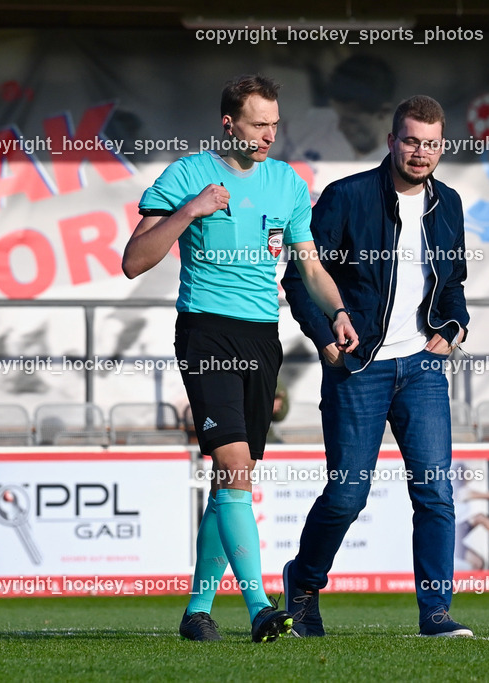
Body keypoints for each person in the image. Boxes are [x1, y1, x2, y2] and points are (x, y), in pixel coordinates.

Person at [122, 74, 358, 643]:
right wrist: (189, 212)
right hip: (206, 333)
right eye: (258, 124)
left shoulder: (287, 183)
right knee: (232, 468)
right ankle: (258, 605)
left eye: (274, 124)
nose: (268, 135)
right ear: (229, 123)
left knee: (233, 478)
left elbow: (309, 265)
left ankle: (197, 612)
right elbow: (134, 260)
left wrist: (339, 312)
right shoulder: (187, 174)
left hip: (262, 339)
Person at [280, 95, 472, 637]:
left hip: (423, 370)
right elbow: (300, 278)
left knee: (434, 489)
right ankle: (304, 581)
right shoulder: (346, 197)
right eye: (411, 141)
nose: (420, 152)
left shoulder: (449, 204)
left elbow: (453, 284)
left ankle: (435, 613)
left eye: (431, 143)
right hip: (357, 368)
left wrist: (452, 329)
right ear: (391, 141)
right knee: (347, 494)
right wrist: (323, 339)